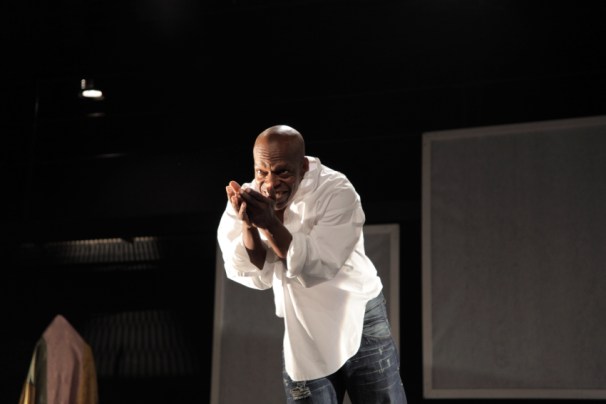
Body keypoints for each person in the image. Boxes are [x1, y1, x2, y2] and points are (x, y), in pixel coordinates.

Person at [217, 124, 407, 404]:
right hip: (302, 323)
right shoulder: (251, 195)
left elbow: (317, 266)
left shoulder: (336, 190)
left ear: (303, 167)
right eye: (261, 172)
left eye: (282, 172)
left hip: (357, 312)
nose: (270, 184)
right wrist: (247, 225)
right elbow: (255, 269)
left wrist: (269, 223)